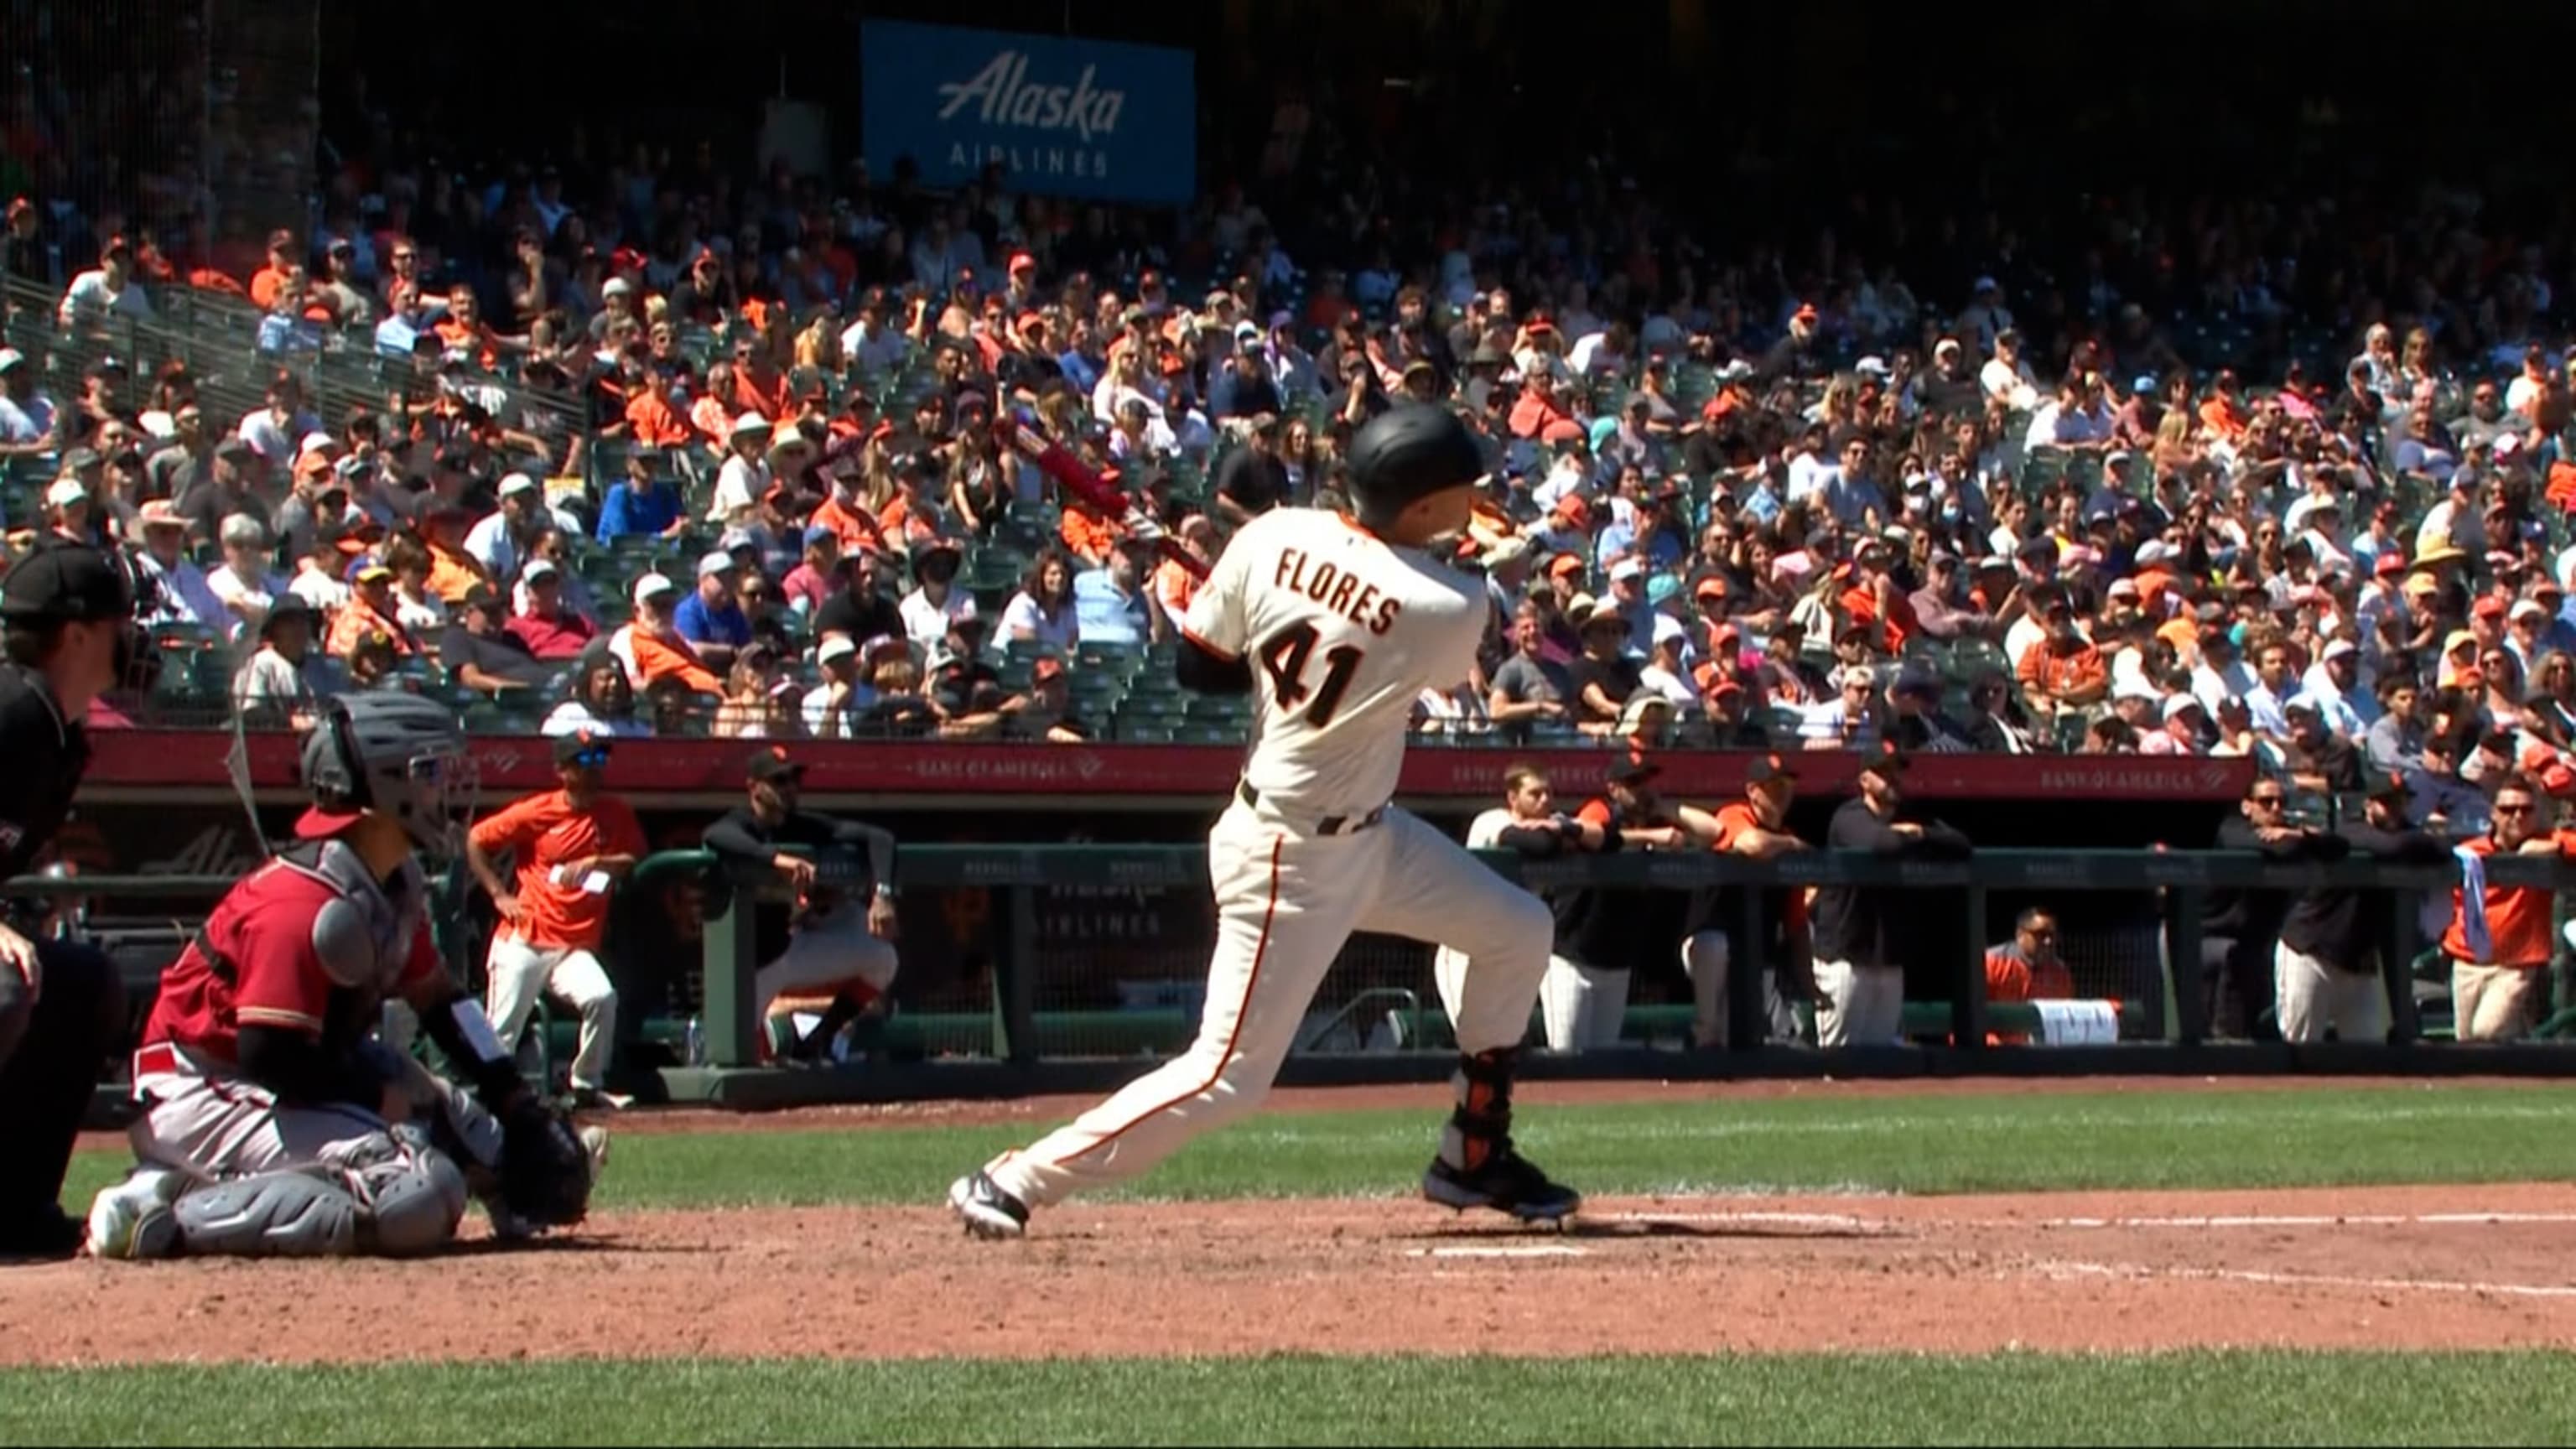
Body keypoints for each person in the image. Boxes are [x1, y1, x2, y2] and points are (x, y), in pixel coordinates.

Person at [949, 405, 1577, 1240]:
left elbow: (1197, 671)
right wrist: (1293, 612)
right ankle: (1015, 1178)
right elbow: (1389, 614)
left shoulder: (1272, 535)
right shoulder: (1451, 601)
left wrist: (1266, 603)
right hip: (1290, 856)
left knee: (1515, 929)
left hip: (1369, 839)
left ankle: (1472, 1153)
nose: (1473, 501)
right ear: (1420, 505)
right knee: (1227, 1077)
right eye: (1459, 490)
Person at [84, 693, 604, 1261]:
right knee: (418, 1191)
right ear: (383, 786)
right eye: (426, 772)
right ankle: (160, 1216)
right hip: (201, 1086)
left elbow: (442, 1003)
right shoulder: (301, 901)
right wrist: (378, 1097)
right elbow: (268, 1052)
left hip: (280, 1076)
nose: (442, 789)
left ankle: (179, 1186)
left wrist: (512, 1098)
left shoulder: (390, 880)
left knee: (482, 1142)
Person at [0, 544, 149, 1258]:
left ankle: (15, 1209)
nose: (133, 640)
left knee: (81, 984)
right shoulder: (10, 713)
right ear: (78, 634)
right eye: (119, 623)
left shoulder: (55, 728)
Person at [465, 730, 647, 1109]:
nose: (596, 769)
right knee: (501, 1033)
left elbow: (632, 859)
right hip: (526, 937)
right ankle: (485, 1104)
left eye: (599, 759)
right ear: (563, 770)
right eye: (585, 761)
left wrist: (599, 862)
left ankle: (585, 1083)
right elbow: (476, 840)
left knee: (602, 997)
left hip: (573, 944)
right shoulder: (538, 810)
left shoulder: (615, 811)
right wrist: (499, 895)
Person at [699, 747, 902, 1061]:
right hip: (748, 968)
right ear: (753, 787)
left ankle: (821, 1038)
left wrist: (883, 894)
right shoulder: (741, 822)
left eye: (794, 779)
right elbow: (715, 835)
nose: (789, 787)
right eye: (779, 780)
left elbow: (879, 838)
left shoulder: (800, 824)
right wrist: (775, 859)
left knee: (882, 956)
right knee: (745, 1062)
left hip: (788, 951)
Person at [1431, 762, 1618, 1052]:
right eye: (1535, 794)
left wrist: (1564, 827)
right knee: (1477, 1041)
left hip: (1505, 949)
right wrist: (1563, 832)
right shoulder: (1491, 820)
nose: (1545, 800)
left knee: (1508, 1042)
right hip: (1464, 947)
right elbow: (1537, 844)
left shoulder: (1554, 820)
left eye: (1549, 792)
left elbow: (1610, 838)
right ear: (1513, 798)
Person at [1807, 740, 1973, 1047]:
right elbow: (1882, 844)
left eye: (1897, 770)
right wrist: (1908, 836)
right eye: (1884, 771)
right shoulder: (1848, 816)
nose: (1893, 778)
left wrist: (1920, 833)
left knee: (1883, 1063)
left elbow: (1960, 844)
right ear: (1864, 779)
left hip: (1887, 958)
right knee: (1838, 1059)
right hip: (1846, 957)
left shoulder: (1909, 817)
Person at [2274, 772, 2447, 1044]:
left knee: (2369, 1053)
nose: (2394, 809)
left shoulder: (2408, 835)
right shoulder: (2350, 830)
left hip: (2359, 965)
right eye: (2386, 802)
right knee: (2302, 1048)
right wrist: (2419, 839)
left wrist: (2420, 839)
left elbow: (2441, 848)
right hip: (2311, 951)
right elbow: (2391, 846)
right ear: (2368, 804)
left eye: (2400, 802)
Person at [1680, 755, 1813, 1049]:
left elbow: (1796, 922)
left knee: (1742, 1043)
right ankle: (1703, 1031)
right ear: (1753, 791)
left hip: (1754, 953)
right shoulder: (1735, 814)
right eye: (1774, 786)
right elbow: (1751, 844)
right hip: (1706, 943)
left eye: (1787, 785)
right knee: (1715, 946)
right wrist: (1790, 844)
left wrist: (1808, 981)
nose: (1783, 792)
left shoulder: (1786, 835)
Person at [2441, 773, 2576, 1041]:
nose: (2517, 816)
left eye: (2526, 810)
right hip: (2468, 961)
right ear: (2493, 813)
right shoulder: (2471, 852)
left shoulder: (2548, 841)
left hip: (2516, 965)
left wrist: (2556, 845)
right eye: (2507, 810)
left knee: (2487, 1031)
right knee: (2466, 1041)